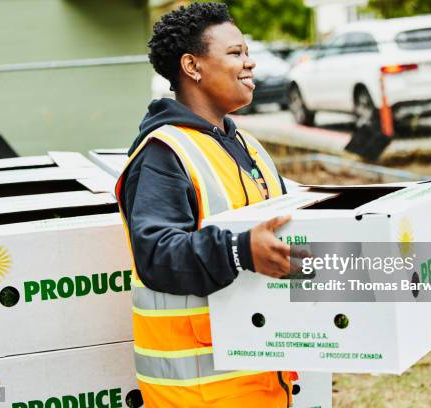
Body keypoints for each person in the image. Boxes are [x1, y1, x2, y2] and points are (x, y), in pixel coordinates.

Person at [115, 3, 296, 407]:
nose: (249, 64)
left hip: (261, 378)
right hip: (201, 390)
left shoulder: (247, 146)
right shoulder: (163, 152)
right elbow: (156, 253)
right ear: (192, 66)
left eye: (247, 52)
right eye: (235, 53)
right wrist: (239, 249)